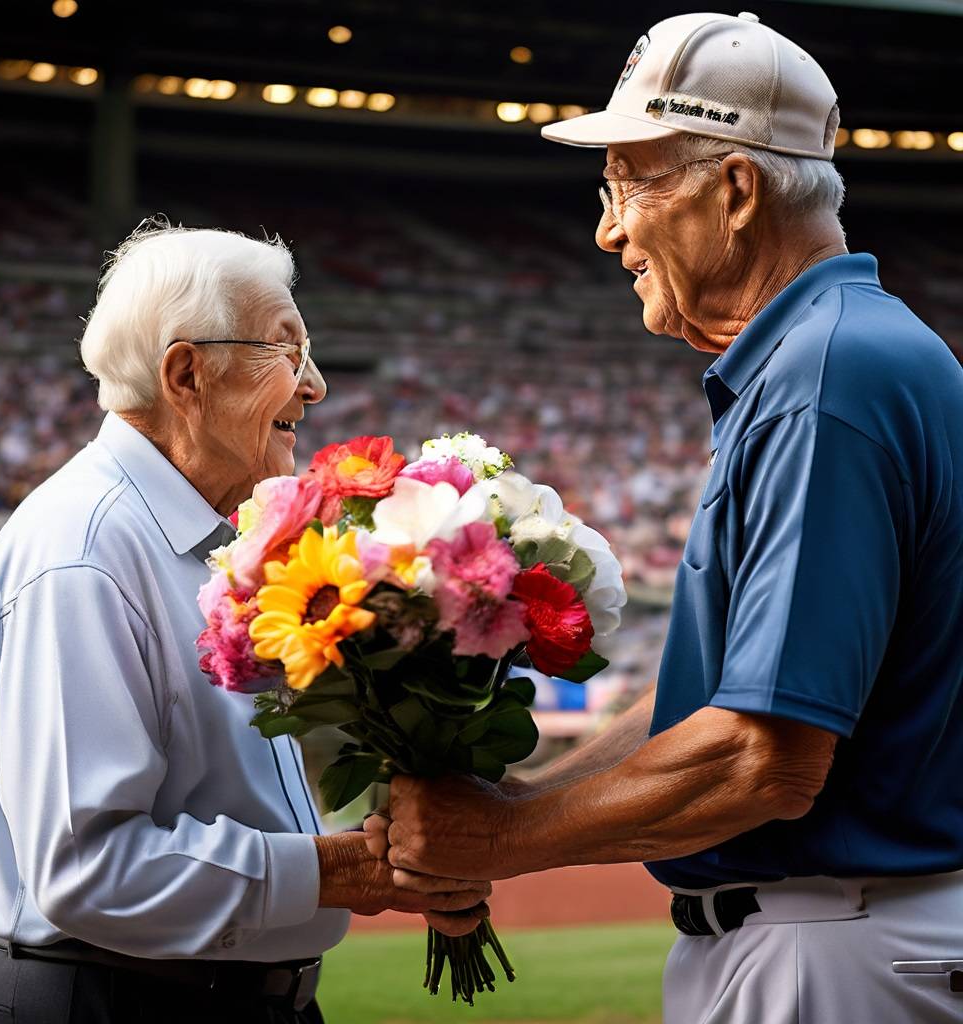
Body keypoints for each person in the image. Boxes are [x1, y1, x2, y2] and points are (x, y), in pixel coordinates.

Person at [372, 12, 963, 1023]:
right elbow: (712, 709)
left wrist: (504, 840)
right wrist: (513, 804)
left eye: (631, 183)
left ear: (735, 190)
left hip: (834, 949)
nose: (608, 229)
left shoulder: (826, 377)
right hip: (829, 935)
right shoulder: (831, 352)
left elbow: (764, 757)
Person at [0, 223, 490, 1024]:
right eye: (287, 349)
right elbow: (86, 870)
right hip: (99, 1003)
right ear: (186, 373)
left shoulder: (212, 540)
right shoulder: (85, 549)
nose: (317, 386)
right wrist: (348, 870)